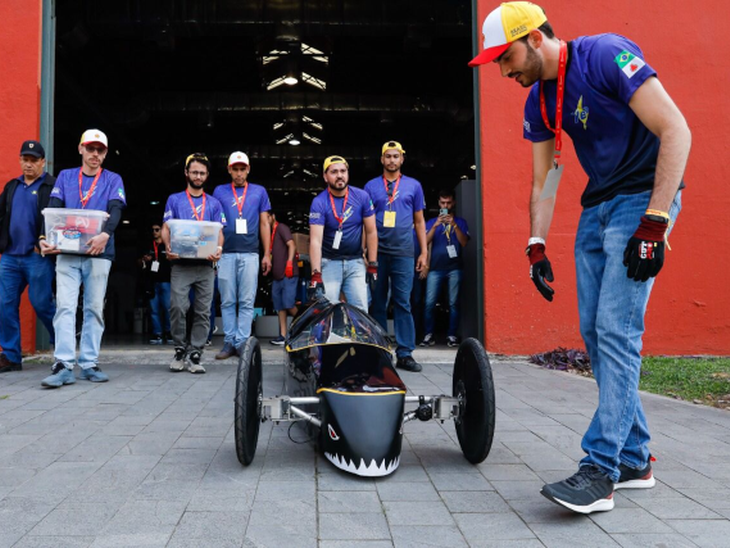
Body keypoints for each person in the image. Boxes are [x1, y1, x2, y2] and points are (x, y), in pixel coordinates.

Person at [470, 2, 691, 513]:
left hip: (643, 199)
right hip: (598, 207)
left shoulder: (605, 56)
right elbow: (545, 179)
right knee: (594, 332)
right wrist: (535, 243)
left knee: (617, 328)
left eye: (506, 58)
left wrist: (655, 222)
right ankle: (635, 457)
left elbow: (676, 130)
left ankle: (601, 468)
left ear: (535, 39)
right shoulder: (539, 102)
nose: (504, 71)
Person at [38, 129, 127, 387]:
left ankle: (89, 363)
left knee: (94, 308)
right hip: (67, 251)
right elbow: (53, 208)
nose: (95, 154)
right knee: (65, 306)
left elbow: (116, 208)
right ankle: (63, 365)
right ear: (81, 149)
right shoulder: (66, 177)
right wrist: (46, 237)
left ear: (105, 154)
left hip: (99, 252)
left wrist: (106, 235)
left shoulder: (112, 179)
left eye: (100, 150)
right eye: (90, 148)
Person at [364, 142, 427, 372]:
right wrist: (365, 251)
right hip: (378, 253)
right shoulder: (370, 187)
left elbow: (419, 221)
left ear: (402, 159)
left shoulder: (414, 186)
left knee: (403, 302)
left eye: (396, 156)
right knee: (378, 302)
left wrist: (424, 252)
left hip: (404, 252)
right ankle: (380, 351)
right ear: (382, 159)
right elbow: (365, 223)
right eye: (388, 156)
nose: (392, 160)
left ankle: (405, 353)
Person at [161, 152, 225, 374]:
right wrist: (167, 248)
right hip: (181, 264)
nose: (198, 176)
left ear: (207, 176)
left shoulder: (214, 203)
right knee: (178, 306)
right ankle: (180, 349)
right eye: (194, 172)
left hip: (206, 266)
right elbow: (166, 228)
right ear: (186, 173)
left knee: (203, 311)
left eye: (202, 173)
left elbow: (220, 233)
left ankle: (196, 353)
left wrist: (219, 250)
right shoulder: (175, 200)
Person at [0, 140, 56, 374]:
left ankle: (64, 346)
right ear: (20, 160)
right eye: (25, 159)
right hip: (10, 257)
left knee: (42, 303)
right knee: (5, 304)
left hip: (37, 256)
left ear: (43, 162)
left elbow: (57, 217)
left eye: (34, 160)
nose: (29, 164)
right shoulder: (12, 186)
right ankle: (11, 356)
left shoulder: (52, 186)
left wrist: (44, 241)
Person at [212, 152, 271, 360]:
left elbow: (265, 223)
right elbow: (215, 223)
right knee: (228, 301)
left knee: (247, 301)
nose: (238, 173)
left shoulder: (259, 191)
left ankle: (243, 342)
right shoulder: (219, 191)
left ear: (248, 169)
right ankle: (229, 342)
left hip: (250, 253)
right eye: (235, 169)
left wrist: (267, 254)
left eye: (242, 169)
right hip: (226, 253)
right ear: (229, 169)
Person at [309, 155, 378, 311]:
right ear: (325, 177)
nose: (339, 175)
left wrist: (373, 264)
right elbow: (315, 241)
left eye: (343, 171)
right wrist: (316, 274)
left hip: (356, 263)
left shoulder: (362, 197)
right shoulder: (319, 202)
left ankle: (359, 337)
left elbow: (372, 231)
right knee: (327, 312)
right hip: (330, 263)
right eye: (334, 172)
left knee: (360, 311)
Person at [420, 189, 470, 348]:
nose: (446, 206)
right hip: (435, 268)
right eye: (443, 203)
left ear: (453, 203)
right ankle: (428, 335)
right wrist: (435, 226)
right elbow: (425, 242)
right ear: (439, 204)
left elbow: (464, 243)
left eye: (448, 203)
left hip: (454, 268)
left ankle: (452, 335)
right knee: (429, 303)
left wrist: (454, 225)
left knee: (453, 303)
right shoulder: (431, 222)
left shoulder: (460, 222)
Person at [267, 211, 298, 345]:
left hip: (287, 274)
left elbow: (291, 244)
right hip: (276, 276)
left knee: (288, 304)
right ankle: (283, 335)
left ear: (273, 216)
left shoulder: (281, 228)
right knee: (279, 306)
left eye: (267, 217)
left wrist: (290, 262)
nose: (265, 221)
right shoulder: (267, 234)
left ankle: (305, 327)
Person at [139, 223, 172, 345]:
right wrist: (144, 260)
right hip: (152, 281)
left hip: (167, 281)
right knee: (153, 309)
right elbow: (138, 261)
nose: (155, 232)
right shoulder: (148, 245)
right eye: (152, 230)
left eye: (157, 230)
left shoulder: (169, 245)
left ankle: (169, 332)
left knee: (168, 309)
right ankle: (157, 333)